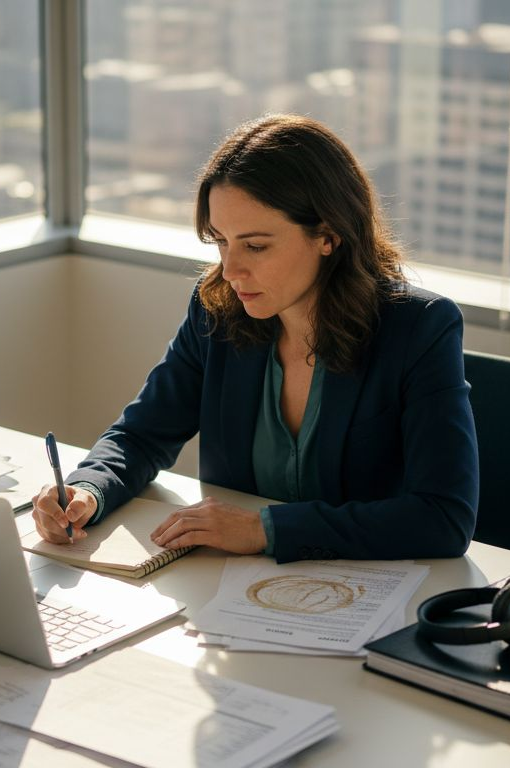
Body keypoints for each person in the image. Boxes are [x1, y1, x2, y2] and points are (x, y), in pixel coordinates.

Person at [31, 114, 479, 562]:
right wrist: (88, 489)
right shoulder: (219, 309)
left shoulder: (420, 328)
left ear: (328, 235)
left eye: (255, 246)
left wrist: (265, 530)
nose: (230, 270)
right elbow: (141, 436)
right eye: (221, 241)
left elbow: (442, 518)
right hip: (234, 587)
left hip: (366, 595)